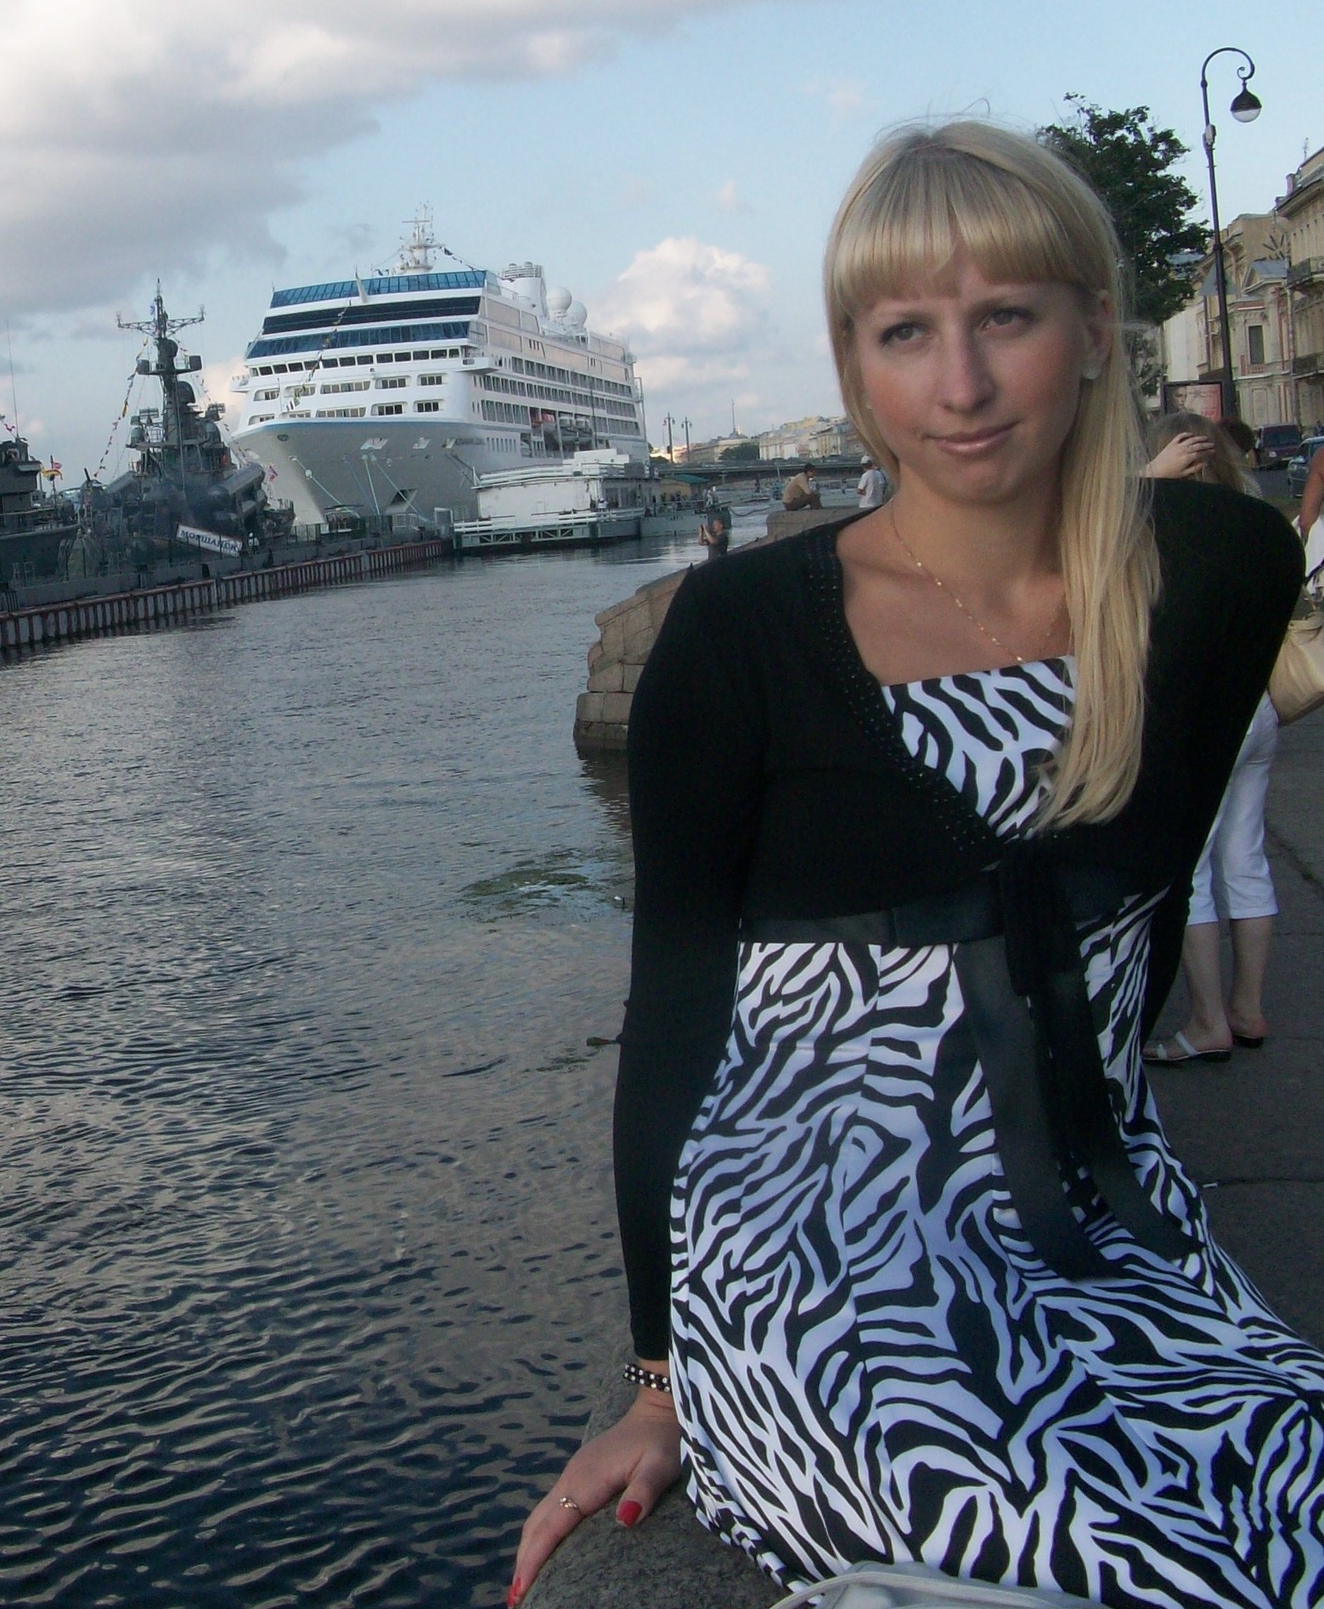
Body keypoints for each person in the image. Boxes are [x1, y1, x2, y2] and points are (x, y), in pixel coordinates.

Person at [510, 122, 1321, 1609]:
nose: (958, 385)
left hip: (1095, 1212)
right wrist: (657, 1377)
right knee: (1083, 1535)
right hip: (810, 1244)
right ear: (851, 363)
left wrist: (1098, 1158)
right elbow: (676, 1017)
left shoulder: (1217, 571)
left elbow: (1131, 933)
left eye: (1004, 316)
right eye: (903, 333)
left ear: (1094, 330)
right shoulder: (739, 634)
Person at [1141, 411, 1282, 1064]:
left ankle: (1205, 1022)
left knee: (1189, 865)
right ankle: (1247, 1007)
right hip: (1255, 708)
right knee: (1245, 856)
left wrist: (1146, 478)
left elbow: (1079, 531)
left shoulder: (1160, 523)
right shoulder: (1251, 518)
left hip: (1191, 714)